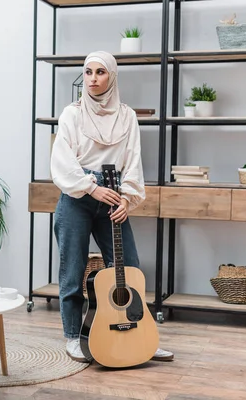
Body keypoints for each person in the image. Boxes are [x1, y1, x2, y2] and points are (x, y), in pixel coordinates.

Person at [50, 51, 174, 363]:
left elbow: (133, 161)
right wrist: (92, 188)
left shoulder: (127, 116)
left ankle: (139, 332)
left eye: (100, 72)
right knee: (72, 270)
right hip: (78, 195)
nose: (93, 79)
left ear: (112, 76)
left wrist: (128, 201)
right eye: (88, 72)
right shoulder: (72, 114)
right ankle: (72, 336)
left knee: (129, 269)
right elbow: (62, 161)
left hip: (115, 192)